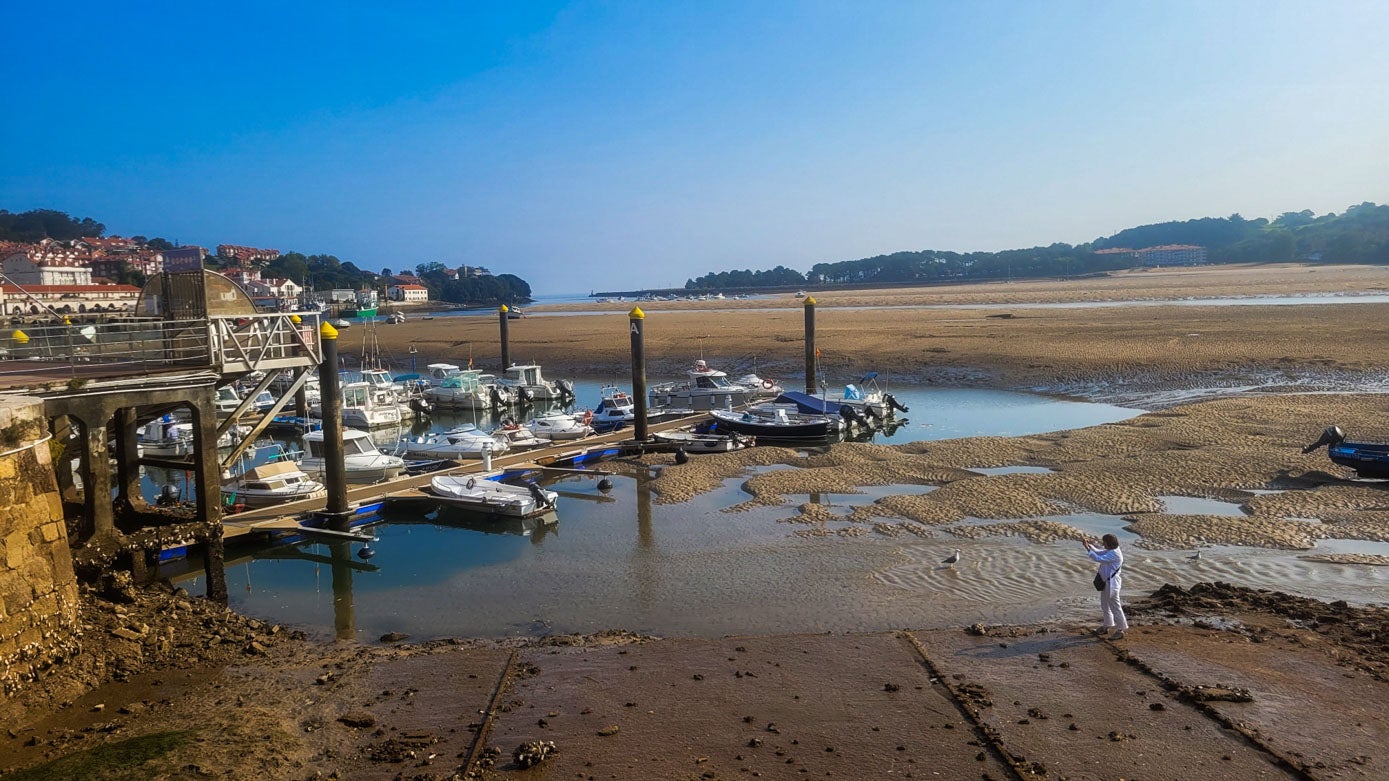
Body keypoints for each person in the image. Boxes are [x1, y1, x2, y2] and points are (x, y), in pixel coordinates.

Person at [1083, 533, 1127, 640]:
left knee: (1115, 607)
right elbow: (1099, 552)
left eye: (1104, 542)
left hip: (1112, 584)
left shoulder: (1115, 554)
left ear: (1109, 543)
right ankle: (1107, 625)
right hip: (1106, 583)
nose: (1103, 544)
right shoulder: (1111, 550)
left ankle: (1121, 630)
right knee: (1104, 605)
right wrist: (1089, 546)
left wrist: (1088, 550)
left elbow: (1098, 558)